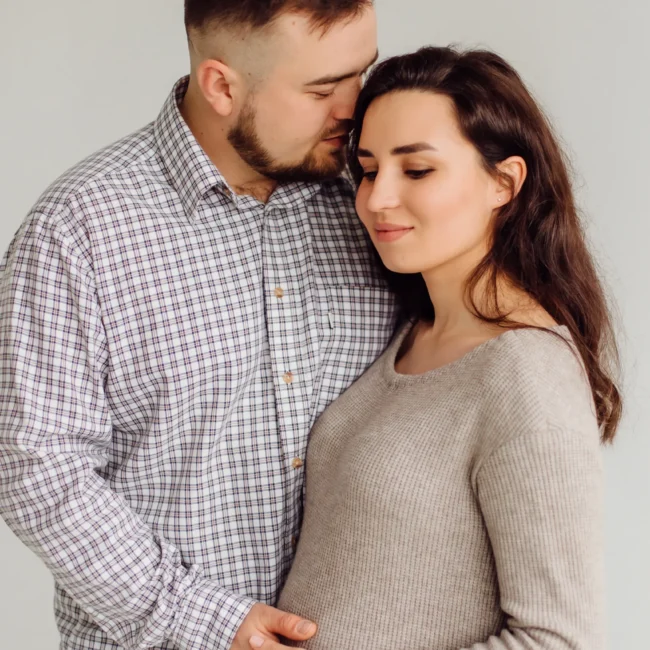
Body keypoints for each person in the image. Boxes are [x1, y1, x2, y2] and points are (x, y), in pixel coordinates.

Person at [0, 2, 397, 649]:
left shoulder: (380, 203)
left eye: (361, 73)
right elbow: (36, 465)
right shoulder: (79, 230)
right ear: (221, 86)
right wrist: (209, 622)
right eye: (322, 88)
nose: (353, 107)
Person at [276, 46, 622, 650]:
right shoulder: (414, 330)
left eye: (416, 170)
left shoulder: (525, 372)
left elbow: (559, 640)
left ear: (504, 183)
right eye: (368, 170)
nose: (377, 199)